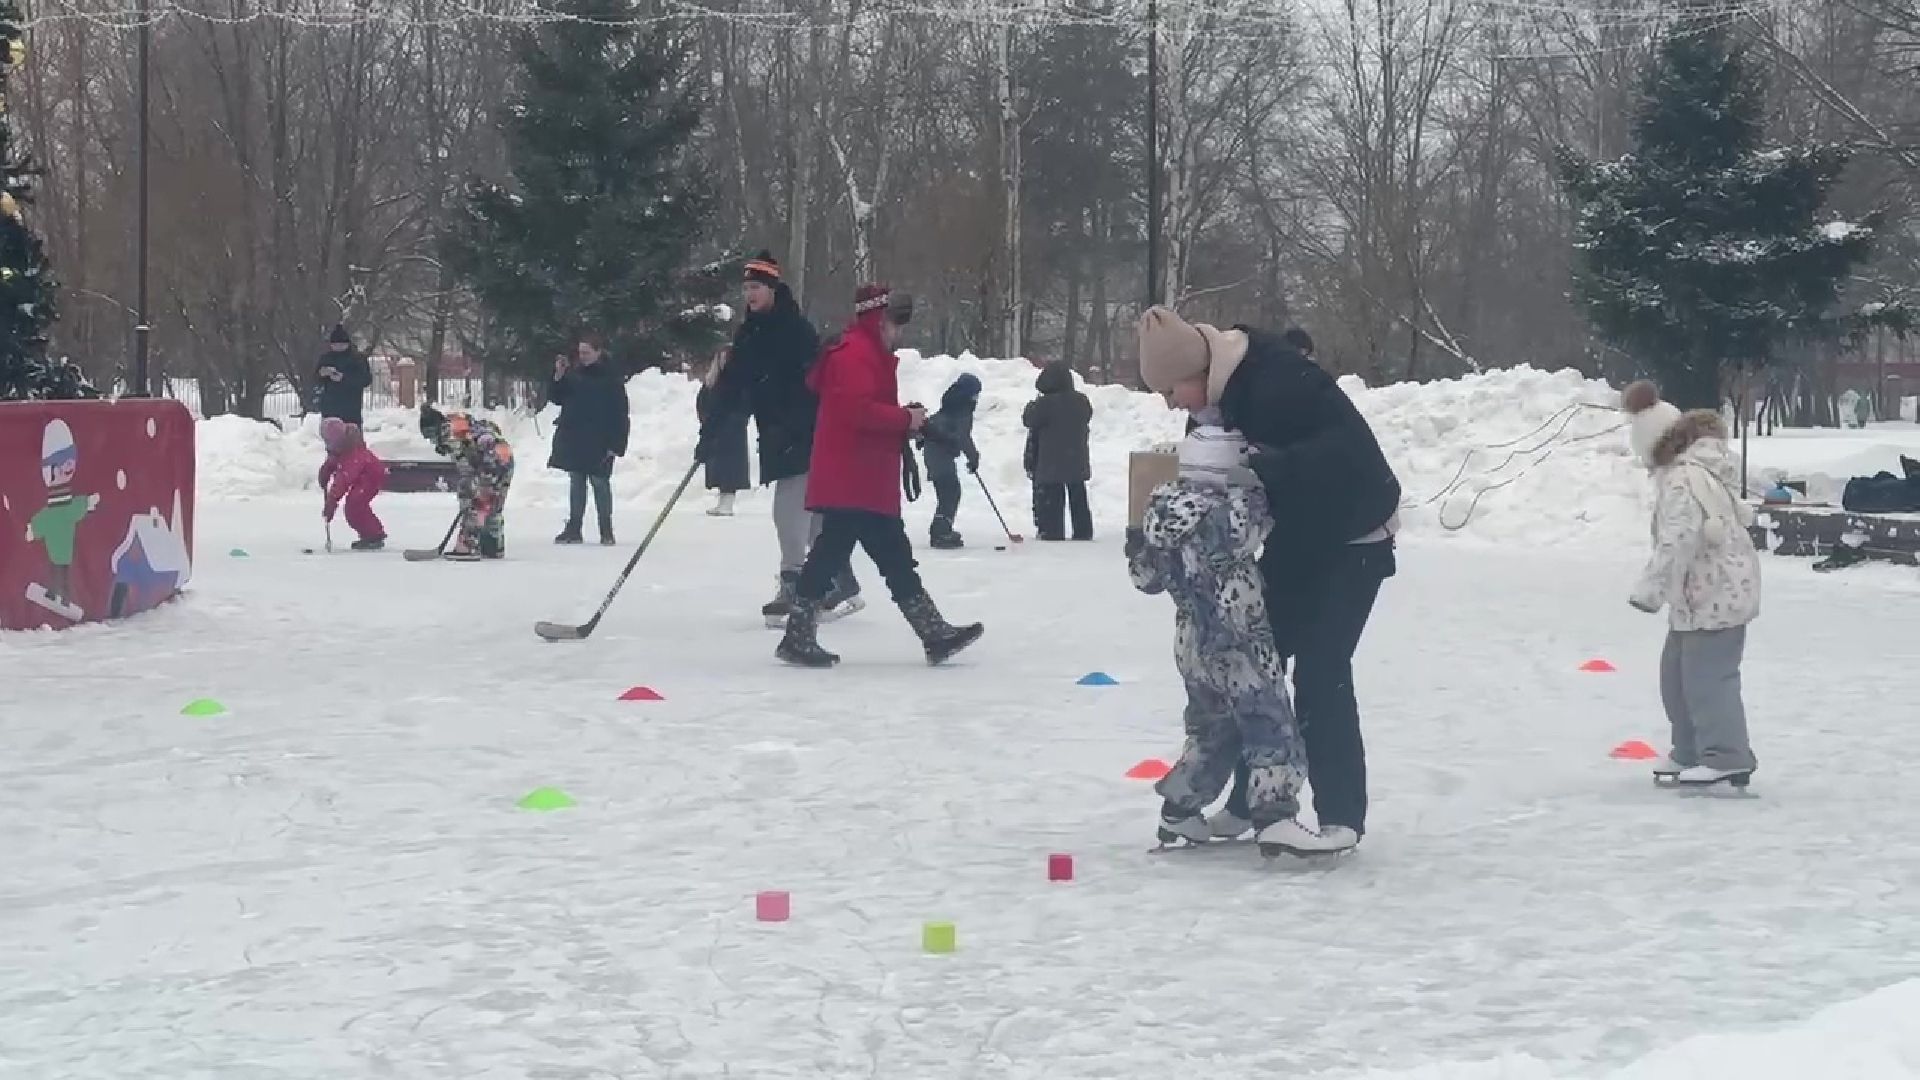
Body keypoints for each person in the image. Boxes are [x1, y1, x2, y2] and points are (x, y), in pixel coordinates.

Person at [1137, 309, 1400, 850]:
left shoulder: (1279, 382)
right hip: (1298, 535)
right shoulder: (1212, 403)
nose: (1171, 403)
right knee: (1255, 668)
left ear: (1196, 369)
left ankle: (1341, 817)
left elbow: (1347, 457)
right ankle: (1243, 805)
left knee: (1323, 668)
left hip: (1356, 534)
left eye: (1171, 389)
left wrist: (1270, 468)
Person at [1128, 421, 1354, 856]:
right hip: (1238, 637)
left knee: (1211, 729)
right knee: (1270, 723)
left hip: (1191, 639)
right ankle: (1274, 816)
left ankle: (1180, 809)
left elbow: (1145, 579)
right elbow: (1256, 526)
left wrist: (1137, 541)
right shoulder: (1228, 511)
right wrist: (1253, 486)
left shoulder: (1160, 511)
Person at [776, 285, 983, 668]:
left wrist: (905, 419)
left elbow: (861, 409)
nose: (898, 332)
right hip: (854, 477)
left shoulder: (864, 352)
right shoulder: (855, 354)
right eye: (894, 323)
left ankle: (931, 633)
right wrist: (906, 419)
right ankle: (801, 636)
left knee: (882, 556)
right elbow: (856, 411)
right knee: (854, 555)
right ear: (878, 319)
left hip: (860, 476)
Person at [698, 252, 862, 627]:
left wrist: (799, 420)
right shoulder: (750, 331)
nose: (749, 295)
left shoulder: (795, 330)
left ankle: (794, 581)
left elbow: (814, 382)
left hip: (804, 431)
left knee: (789, 509)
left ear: (772, 289)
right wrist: (711, 430)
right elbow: (735, 385)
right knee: (815, 512)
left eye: (756, 287)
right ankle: (838, 578)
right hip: (775, 433)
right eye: (746, 288)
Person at [1622, 379, 1762, 788]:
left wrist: (1651, 588)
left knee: (1706, 679)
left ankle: (1726, 755)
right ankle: (1690, 750)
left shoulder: (1683, 479)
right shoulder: (1686, 471)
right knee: (1676, 676)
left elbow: (1679, 538)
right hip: (1696, 595)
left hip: (1717, 594)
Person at [548, 334, 631, 545]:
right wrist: (558, 375)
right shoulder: (574, 374)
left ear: (598, 352)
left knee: (600, 483)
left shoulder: (611, 378)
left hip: (600, 440)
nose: (582, 356)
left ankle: (606, 530)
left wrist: (617, 444)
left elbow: (621, 413)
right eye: (580, 352)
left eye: (586, 352)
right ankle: (574, 528)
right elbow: (556, 397)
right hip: (575, 437)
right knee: (576, 482)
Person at [420, 403, 515, 560]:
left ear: (438, 427)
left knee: (478, 505)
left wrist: (466, 495)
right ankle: (492, 546)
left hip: (492, 462)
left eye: (430, 434)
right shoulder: (460, 424)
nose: (431, 440)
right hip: (506, 459)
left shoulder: (451, 435)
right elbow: (491, 430)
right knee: (493, 505)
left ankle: (467, 547)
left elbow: (467, 471)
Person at [1022, 360, 1093, 541]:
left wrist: (1031, 406)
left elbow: (1029, 419)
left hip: (1050, 462)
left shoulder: (1045, 404)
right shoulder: (1081, 401)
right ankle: (1083, 531)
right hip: (1076, 459)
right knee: (1078, 497)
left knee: (1052, 500)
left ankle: (1052, 532)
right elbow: (1087, 415)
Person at [919, 373, 982, 548]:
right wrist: (973, 456)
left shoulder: (950, 402)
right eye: (976, 394)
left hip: (933, 453)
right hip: (940, 456)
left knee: (947, 491)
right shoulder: (963, 409)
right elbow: (963, 437)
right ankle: (940, 531)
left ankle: (941, 528)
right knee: (951, 492)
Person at [695, 348, 751, 516]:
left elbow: (743, 405)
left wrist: (735, 420)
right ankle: (722, 500)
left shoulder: (737, 381)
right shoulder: (713, 380)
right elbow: (704, 400)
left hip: (732, 430)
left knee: (730, 466)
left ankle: (727, 502)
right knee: (718, 466)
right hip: (715, 428)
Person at [319, 418, 388, 550]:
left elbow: (343, 479)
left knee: (355, 505)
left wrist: (332, 500)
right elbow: (334, 461)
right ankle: (370, 534)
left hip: (371, 477)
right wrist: (326, 471)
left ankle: (373, 535)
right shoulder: (342, 448)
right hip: (361, 476)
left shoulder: (354, 453)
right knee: (355, 505)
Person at [313, 324, 372, 426]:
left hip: (350, 409)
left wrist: (343, 378)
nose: (338, 347)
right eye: (335, 345)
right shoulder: (326, 358)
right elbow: (315, 379)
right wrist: (322, 374)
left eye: (341, 344)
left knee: (352, 439)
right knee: (333, 439)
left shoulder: (357, 359)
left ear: (347, 344)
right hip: (330, 410)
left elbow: (365, 379)